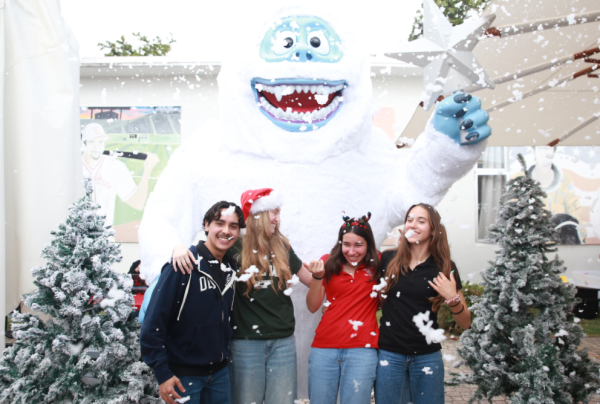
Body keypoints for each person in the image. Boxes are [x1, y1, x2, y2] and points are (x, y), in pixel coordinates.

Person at [172, 188, 312, 404]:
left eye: (278, 213)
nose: (277, 218)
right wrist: (178, 247)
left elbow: (310, 279)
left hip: (283, 341)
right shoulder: (234, 245)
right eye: (273, 212)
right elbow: (206, 244)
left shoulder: (282, 246)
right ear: (259, 215)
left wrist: (326, 272)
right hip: (246, 342)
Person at [140, 201, 245, 404]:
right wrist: (163, 373)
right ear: (206, 225)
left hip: (220, 374)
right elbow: (153, 324)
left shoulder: (231, 270)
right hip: (182, 376)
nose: (226, 231)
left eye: (233, 226)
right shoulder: (183, 265)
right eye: (219, 223)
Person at [375, 203, 471, 404]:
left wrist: (452, 299)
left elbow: (465, 323)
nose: (413, 224)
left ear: (433, 229)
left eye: (421, 221)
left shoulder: (444, 267)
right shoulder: (388, 259)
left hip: (427, 357)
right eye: (409, 219)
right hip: (390, 355)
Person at [305, 213, 381, 404]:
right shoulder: (327, 262)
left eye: (358, 245)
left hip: (363, 350)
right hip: (324, 348)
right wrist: (317, 277)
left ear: (368, 244)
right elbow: (313, 306)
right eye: (346, 244)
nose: (352, 251)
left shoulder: (379, 264)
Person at [81, 122, 159, 227]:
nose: (96, 147)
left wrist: (147, 170)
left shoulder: (115, 167)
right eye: (92, 142)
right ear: (84, 144)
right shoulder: (74, 168)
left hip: (105, 234)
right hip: (77, 235)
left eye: (100, 142)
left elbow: (137, 203)